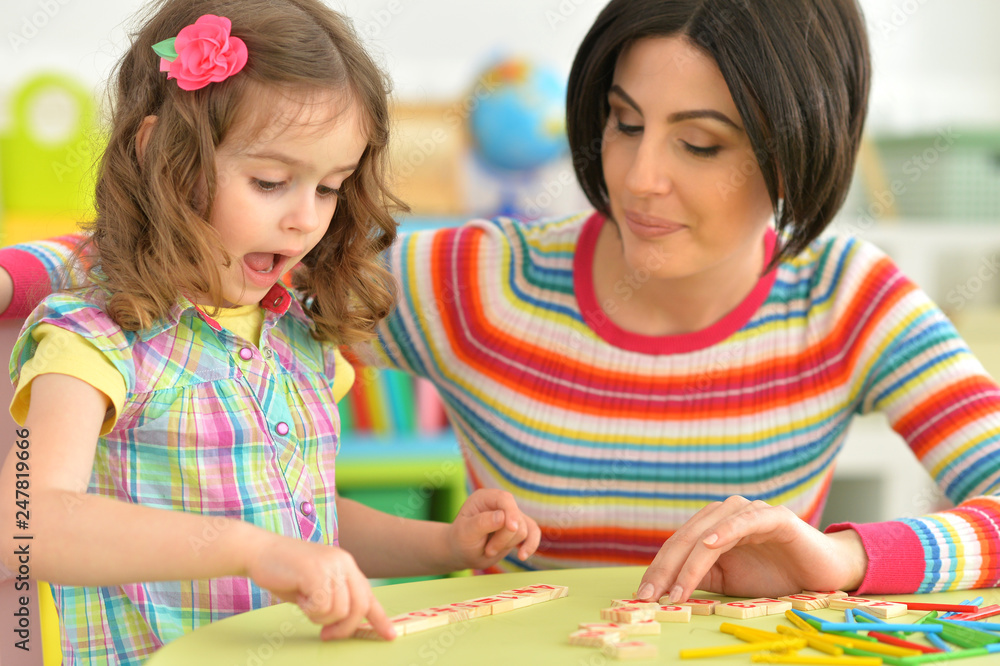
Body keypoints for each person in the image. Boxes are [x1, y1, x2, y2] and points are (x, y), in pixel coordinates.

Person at [3, 0, 999, 614]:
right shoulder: (480, 285)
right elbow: (193, 253)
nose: (638, 178)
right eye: (621, 123)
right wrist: (21, 274)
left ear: (801, 146)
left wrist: (840, 558)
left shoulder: (850, 303)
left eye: (699, 144)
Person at [0, 1, 541, 663]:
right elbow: (24, 524)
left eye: (329, 187)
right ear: (158, 157)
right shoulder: (93, 340)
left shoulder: (296, 335)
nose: (303, 220)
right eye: (271, 181)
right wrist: (248, 551)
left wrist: (445, 546)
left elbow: (309, 526)